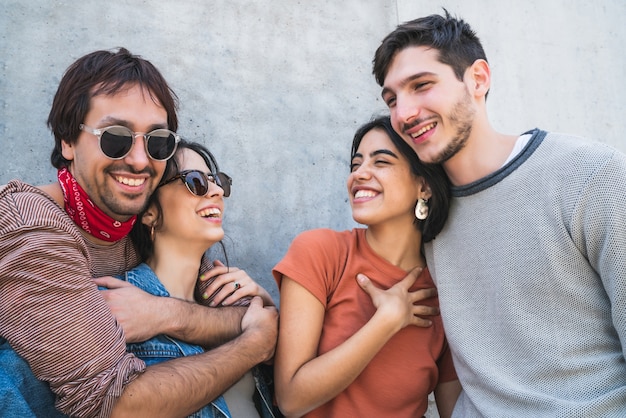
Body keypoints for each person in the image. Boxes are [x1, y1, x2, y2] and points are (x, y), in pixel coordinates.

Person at [372, 10, 626, 417]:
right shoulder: (426, 215)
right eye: (392, 99)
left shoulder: (590, 174)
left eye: (421, 85)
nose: (403, 114)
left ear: (478, 79)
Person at [0, 47, 278, 417]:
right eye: (116, 136)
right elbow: (113, 405)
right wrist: (254, 345)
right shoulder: (31, 227)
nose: (139, 160)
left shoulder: (129, 219)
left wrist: (165, 313)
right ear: (67, 140)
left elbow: (242, 312)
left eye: (157, 141)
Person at [272, 115, 460, 418]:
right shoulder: (321, 253)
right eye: (355, 164)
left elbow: (455, 410)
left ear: (424, 186)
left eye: (381, 162)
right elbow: (292, 399)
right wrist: (385, 322)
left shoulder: (445, 293)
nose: (359, 174)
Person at [116, 139, 279, 417]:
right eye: (195, 181)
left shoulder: (234, 305)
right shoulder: (118, 307)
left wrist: (268, 307)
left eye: (218, 181)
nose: (216, 191)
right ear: (150, 212)